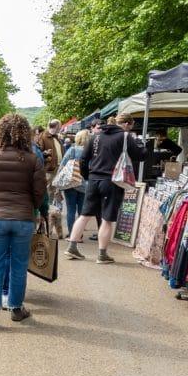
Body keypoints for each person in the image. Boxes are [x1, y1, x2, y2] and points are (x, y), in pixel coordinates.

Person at [0, 114, 47, 329]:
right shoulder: (33, 158)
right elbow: (40, 191)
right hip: (23, 218)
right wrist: (32, 208)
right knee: (19, 264)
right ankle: (16, 308)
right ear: (25, 133)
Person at [65, 113, 147, 264]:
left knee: (84, 214)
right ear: (127, 124)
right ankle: (102, 255)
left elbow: (83, 159)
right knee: (107, 219)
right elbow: (141, 156)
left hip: (94, 179)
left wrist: (87, 175)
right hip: (112, 181)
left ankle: (72, 247)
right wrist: (139, 142)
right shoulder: (124, 137)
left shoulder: (95, 136)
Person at [59, 129, 90, 237]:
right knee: (81, 210)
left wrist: (58, 182)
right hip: (84, 184)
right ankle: (79, 234)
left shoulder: (72, 150)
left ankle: (72, 234)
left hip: (70, 182)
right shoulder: (90, 152)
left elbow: (62, 166)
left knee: (71, 209)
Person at [38, 119, 65, 238]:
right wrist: (47, 157)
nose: (60, 129)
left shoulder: (56, 137)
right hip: (49, 170)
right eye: (59, 127)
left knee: (55, 194)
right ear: (56, 126)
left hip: (57, 169)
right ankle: (46, 221)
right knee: (48, 194)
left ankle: (52, 218)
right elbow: (39, 153)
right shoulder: (44, 136)